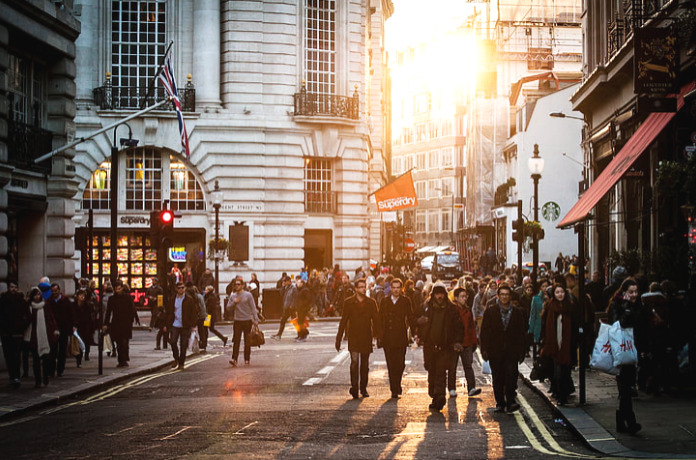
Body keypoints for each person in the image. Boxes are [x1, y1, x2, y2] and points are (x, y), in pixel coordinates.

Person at [480, 284, 527, 413]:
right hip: (495, 351)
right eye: (502, 294)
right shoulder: (491, 311)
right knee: (498, 378)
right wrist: (484, 349)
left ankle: (511, 401)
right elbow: (484, 332)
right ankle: (500, 403)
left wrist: (522, 351)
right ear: (498, 296)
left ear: (510, 296)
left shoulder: (517, 312)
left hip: (511, 351)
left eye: (507, 294)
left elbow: (521, 333)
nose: (504, 297)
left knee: (511, 376)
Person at [417, 283, 464, 411]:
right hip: (430, 346)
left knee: (441, 372)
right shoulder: (426, 307)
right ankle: (434, 395)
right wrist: (419, 332)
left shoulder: (452, 309)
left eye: (441, 294)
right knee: (431, 370)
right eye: (437, 294)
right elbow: (418, 322)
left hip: (445, 346)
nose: (439, 296)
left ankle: (440, 396)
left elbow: (458, 327)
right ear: (433, 295)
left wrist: (457, 342)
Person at [607, 278, 644, 434]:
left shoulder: (638, 304)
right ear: (624, 292)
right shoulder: (617, 304)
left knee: (627, 388)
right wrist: (627, 308)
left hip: (634, 349)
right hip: (621, 350)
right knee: (626, 387)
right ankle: (629, 421)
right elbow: (617, 324)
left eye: (636, 291)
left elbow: (641, 327)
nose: (634, 294)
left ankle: (622, 421)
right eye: (631, 292)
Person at [335, 278, 381, 399]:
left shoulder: (371, 302)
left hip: (366, 336)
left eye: (364, 286)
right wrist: (338, 338)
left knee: (364, 364)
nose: (362, 289)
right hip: (354, 336)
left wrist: (378, 336)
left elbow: (376, 320)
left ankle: (363, 388)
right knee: (354, 362)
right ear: (356, 289)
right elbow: (343, 320)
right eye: (360, 287)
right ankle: (354, 387)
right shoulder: (349, 302)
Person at [540, 284, 576, 405]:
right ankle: (560, 396)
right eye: (557, 292)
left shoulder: (570, 307)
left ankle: (563, 395)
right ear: (554, 295)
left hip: (567, 345)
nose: (560, 294)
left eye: (562, 292)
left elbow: (575, 326)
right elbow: (545, 327)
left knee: (565, 372)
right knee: (558, 372)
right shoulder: (550, 307)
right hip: (553, 345)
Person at [378, 278, 413, 399]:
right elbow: (380, 319)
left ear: (401, 288)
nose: (396, 290)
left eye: (398, 287)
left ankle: (396, 384)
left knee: (400, 363)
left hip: (401, 336)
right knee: (391, 363)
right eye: (394, 288)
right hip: (388, 337)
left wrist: (415, 334)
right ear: (390, 288)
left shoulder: (405, 301)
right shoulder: (385, 301)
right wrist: (379, 336)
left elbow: (410, 317)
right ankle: (394, 388)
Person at [449, 287, 482, 398]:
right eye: (462, 296)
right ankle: (452, 388)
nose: (464, 299)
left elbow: (472, 327)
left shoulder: (468, 311)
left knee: (468, 366)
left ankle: (471, 388)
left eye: (465, 296)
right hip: (454, 344)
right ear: (456, 298)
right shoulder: (452, 310)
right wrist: (452, 342)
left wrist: (474, 341)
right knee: (452, 367)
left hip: (467, 343)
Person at [24, 287, 59, 387]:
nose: (37, 297)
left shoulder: (45, 306)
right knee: (36, 361)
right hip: (33, 336)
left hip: (44, 336)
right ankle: (38, 381)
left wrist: (55, 330)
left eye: (38, 294)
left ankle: (45, 378)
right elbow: (26, 320)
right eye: (35, 295)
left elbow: (51, 318)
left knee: (45, 359)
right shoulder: (29, 307)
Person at [103, 280, 139, 368]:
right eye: (116, 289)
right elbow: (108, 312)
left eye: (119, 289)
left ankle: (125, 359)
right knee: (119, 343)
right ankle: (121, 361)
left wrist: (134, 319)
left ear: (122, 288)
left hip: (126, 323)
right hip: (116, 323)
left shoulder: (127, 297)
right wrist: (106, 323)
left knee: (125, 342)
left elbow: (132, 309)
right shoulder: (112, 299)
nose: (117, 290)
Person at [0, 282, 30, 387]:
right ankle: (12, 376)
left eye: (15, 287)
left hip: (17, 333)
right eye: (11, 287)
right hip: (5, 333)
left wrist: (22, 326)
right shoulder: (3, 300)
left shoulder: (21, 301)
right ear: (8, 288)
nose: (13, 289)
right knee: (8, 356)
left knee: (16, 355)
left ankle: (16, 376)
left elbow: (28, 316)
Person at [164, 281, 198, 370]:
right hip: (175, 324)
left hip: (185, 326)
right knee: (173, 342)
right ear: (176, 289)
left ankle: (181, 363)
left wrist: (193, 325)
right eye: (179, 288)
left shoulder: (189, 299)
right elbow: (169, 312)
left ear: (185, 288)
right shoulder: (172, 299)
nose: (181, 289)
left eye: (182, 288)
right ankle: (176, 358)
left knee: (183, 345)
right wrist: (166, 324)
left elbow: (193, 313)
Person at [226, 278, 260, 366]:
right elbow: (228, 308)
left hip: (247, 320)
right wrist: (234, 302)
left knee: (247, 341)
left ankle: (247, 359)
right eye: (235, 284)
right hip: (237, 321)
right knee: (236, 341)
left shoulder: (248, 295)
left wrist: (255, 320)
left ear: (242, 285)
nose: (236, 286)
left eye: (238, 284)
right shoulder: (233, 296)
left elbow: (253, 307)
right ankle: (234, 359)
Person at [49, 283, 75, 377]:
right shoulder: (50, 301)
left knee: (62, 351)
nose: (54, 293)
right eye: (52, 291)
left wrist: (71, 327)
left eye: (56, 291)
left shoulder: (66, 301)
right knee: (52, 351)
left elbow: (71, 315)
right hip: (53, 330)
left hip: (64, 329)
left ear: (59, 290)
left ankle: (60, 370)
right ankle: (51, 370)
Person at [73, 289, 95, 366]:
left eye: (83, 296)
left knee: (86, 341)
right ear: (77, 296)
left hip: (86, 326)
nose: (82, 297)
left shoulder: (87, 305)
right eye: (80, 295)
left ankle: (86, 355)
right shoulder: (74, 305)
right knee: (78, 342)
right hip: (77, 326)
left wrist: (92, 327)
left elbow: (90, 317)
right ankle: (78, 359)